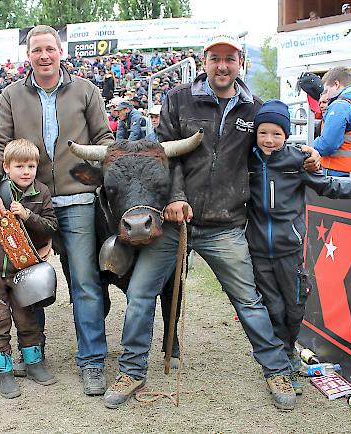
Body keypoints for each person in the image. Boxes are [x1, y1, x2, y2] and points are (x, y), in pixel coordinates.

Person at [103, 33, 320, 410]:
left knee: (248, 301)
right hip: (175, 223)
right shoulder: (178, 99)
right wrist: (175, 198)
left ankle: (275, 369)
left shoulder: (255, 109)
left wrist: (309, 156)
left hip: (227, 222)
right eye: (215, 58)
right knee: (139, 295)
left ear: (240, 64)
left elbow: (275, 146)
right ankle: (132, 370)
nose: (223, 65)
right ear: (204, 60)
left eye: (230, 59)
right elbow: (162, 156)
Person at [0, 25, 115, 397]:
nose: (44, 55)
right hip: (28, 202)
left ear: (60, 51)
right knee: (27, 277)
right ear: (28, 55)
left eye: (49, 49)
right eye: (36, 50)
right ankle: (31, 352)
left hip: (77, 200)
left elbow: (105, 140)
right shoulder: (10, 95)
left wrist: (94, 174)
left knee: (85, 282)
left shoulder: (86, 90)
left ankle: (92, 362)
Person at [247, 100, 351, 394]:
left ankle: (288, 353)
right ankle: (281, 365)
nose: (269, 140)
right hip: (258, 251)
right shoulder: (246, 160)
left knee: (294, 306)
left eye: (276, 134)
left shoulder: (296, 160)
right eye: (263, 133)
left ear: (286, 135)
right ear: (255, 133)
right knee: (272, 308)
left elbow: (330, 186)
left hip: (289, 250)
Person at [0, 139, 58, 398]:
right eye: (19, 166)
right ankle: (4, 371)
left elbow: (52, 226)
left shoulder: (41, 192)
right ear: (6, 167)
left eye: (31, 165)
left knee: (28, 318)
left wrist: (28, 216)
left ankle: (33, 363)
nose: (26, 171)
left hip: (23, 271)